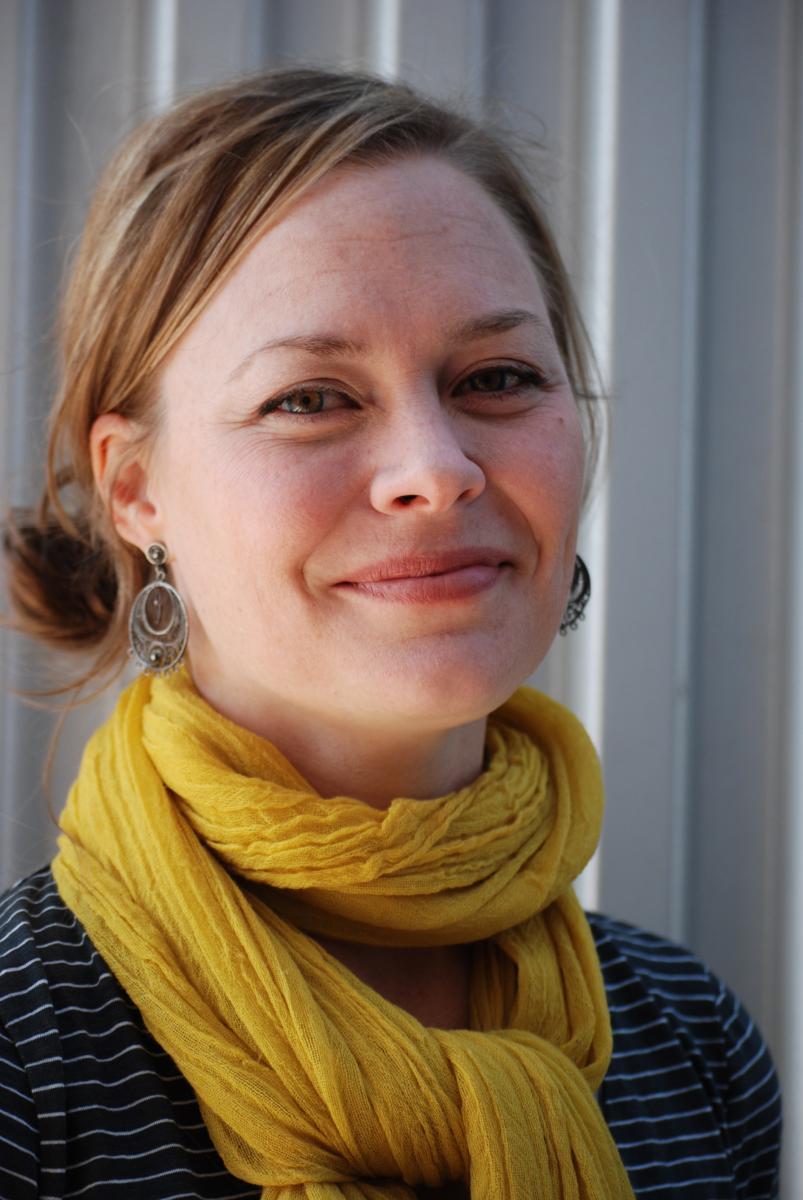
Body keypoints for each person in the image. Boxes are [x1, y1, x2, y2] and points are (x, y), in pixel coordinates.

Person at [0, 67, 780, 1200]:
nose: (436, 469)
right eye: (310, 398)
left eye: (496, 378)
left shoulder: (690, 1046)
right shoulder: (28, 1061)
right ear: (135, 491)